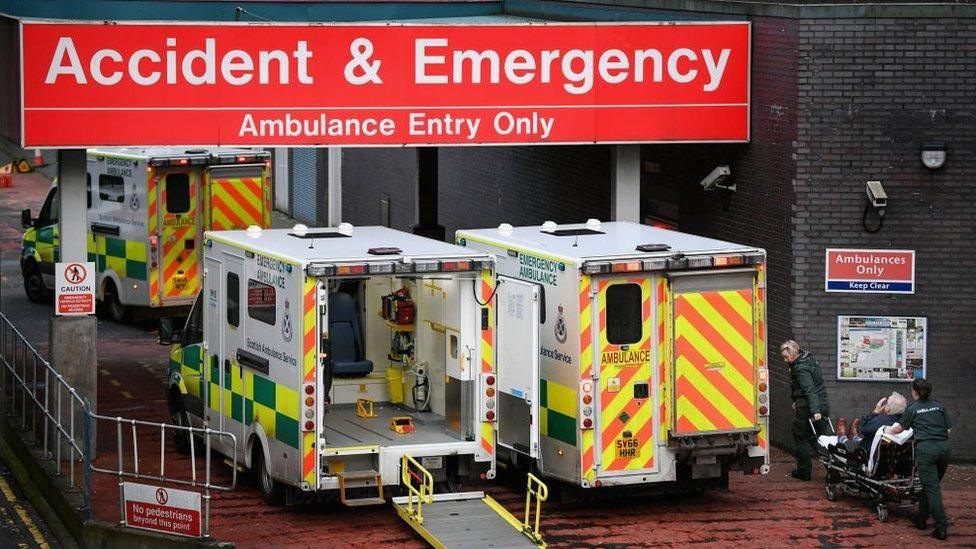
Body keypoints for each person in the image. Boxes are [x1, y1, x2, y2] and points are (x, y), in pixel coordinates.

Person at [886, 378, 953, 540]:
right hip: (944, 449)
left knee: (932, 489)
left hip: (926, 451)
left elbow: (900, 428)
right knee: (929, 485)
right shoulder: (939, 406)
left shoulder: (913, 408)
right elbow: (948, 429)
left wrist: (888, 431)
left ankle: (941, 528)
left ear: (914, 392)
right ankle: (921, 519)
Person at [781, 340, 831, 481]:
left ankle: (804, 472)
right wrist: (796, 401)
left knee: (800, 437)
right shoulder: (809, 359)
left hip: (809, 407)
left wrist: (815, 411)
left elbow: (809, 390)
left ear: (793, 353)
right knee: (820, 440)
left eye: (786, 357)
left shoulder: (801, 368)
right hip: (822, 404)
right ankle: (835, 471)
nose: (785, 360)